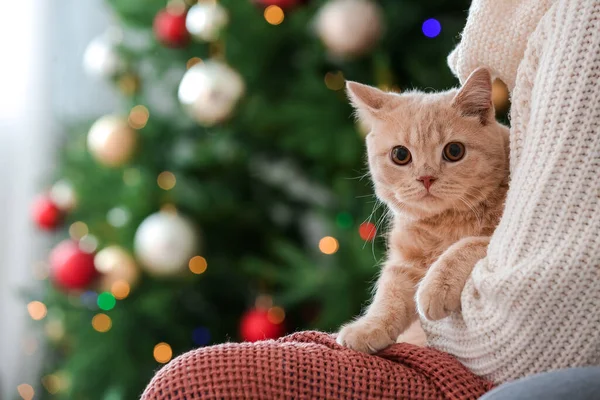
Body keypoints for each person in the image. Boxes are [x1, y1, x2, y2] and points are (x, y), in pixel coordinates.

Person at [141, 0, 600, 398]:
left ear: (484, 117)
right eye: (400, 156)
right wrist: (383, 319)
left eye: (452, 152)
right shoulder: (412, 216)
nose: (424, 176)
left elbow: (525, 256)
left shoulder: (516, 181)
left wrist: (466, 253)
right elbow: (404, 273)